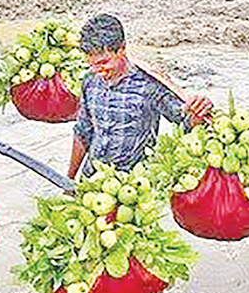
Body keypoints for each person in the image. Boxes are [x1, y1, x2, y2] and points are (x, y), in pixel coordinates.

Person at [68, 14, 212, 180]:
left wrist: (200, 109)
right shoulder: (90, 80)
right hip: (91, 178)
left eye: (103, 63)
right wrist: (70, 178)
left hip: (133, 185)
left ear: (121, 49)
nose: (97, 70)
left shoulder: (149, 84)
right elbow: (83, 130)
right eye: (91, 64)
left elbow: (185, 122)